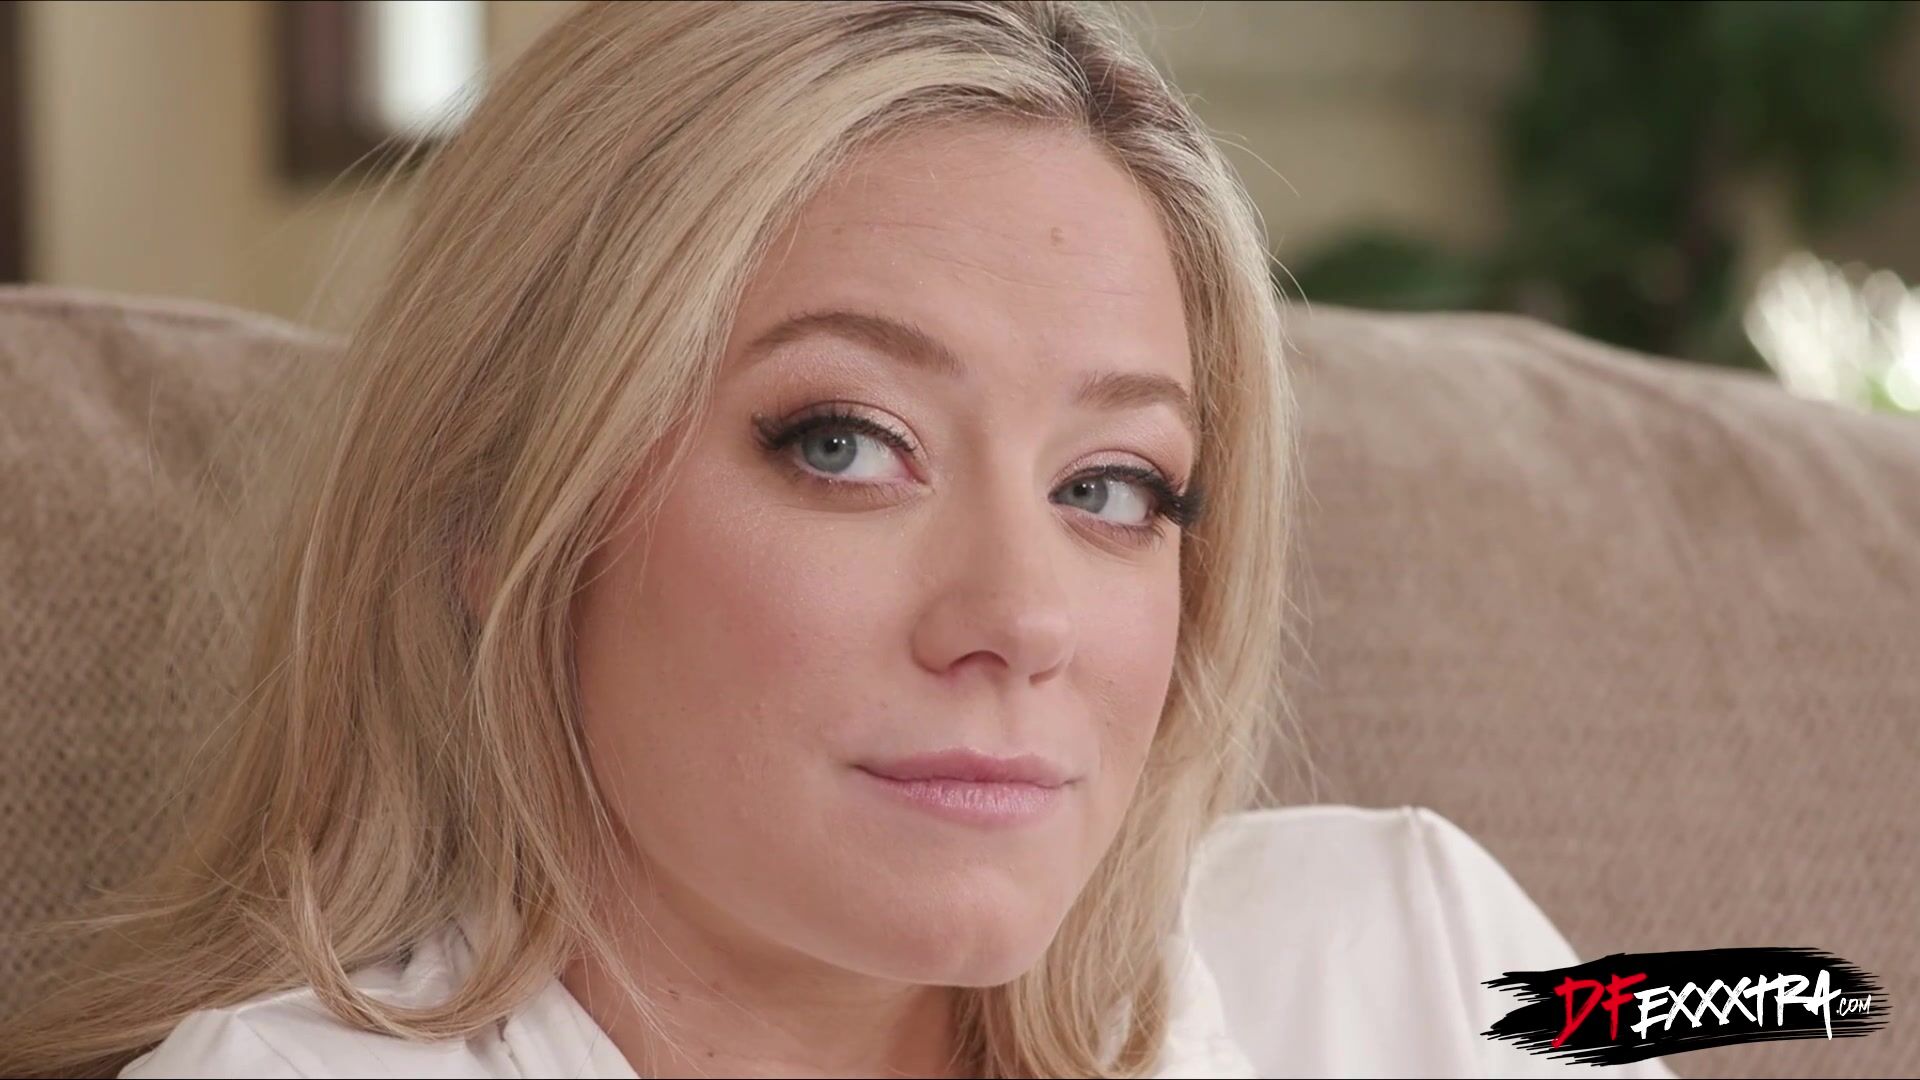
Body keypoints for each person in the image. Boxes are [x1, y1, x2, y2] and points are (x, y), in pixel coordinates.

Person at [0, 3, 1680, 1077]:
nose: (1022, 618)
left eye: (1112, 486)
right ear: (497, 513)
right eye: (845, 444)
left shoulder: (1415, 961)